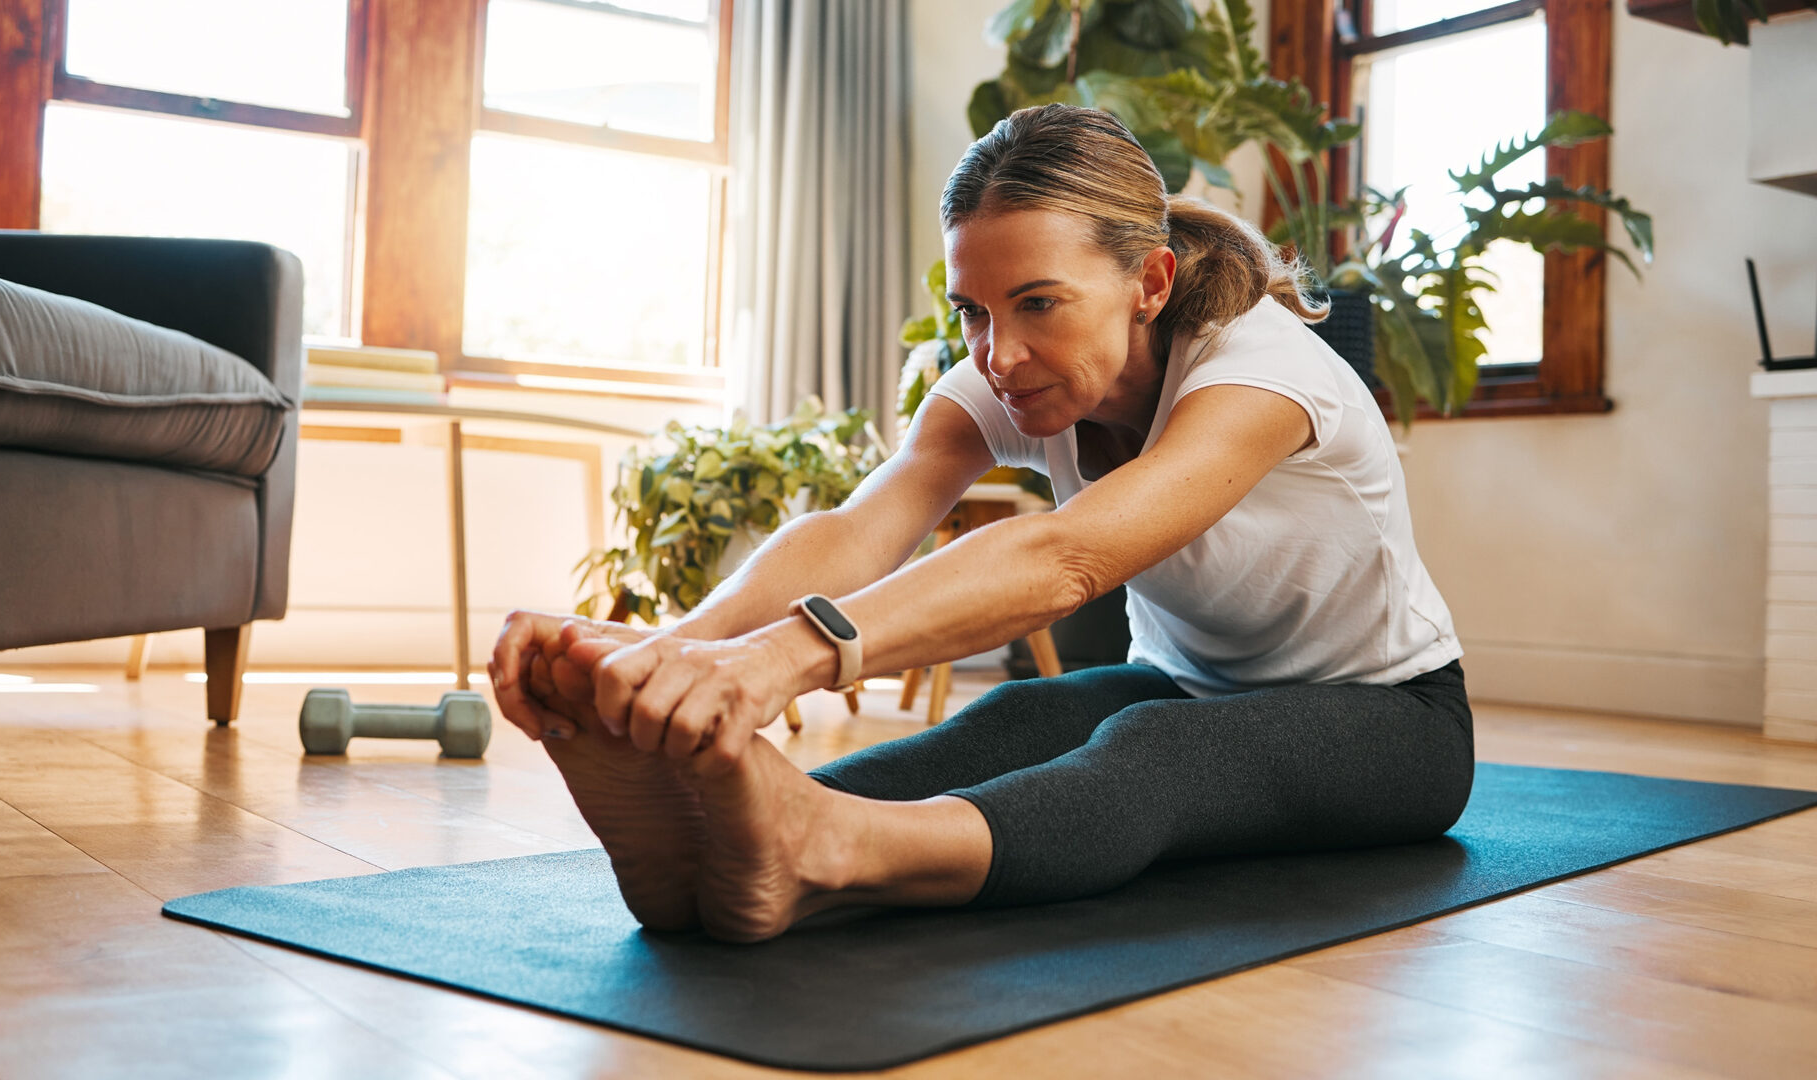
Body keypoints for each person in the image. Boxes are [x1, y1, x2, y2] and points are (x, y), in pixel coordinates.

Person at [486, 103, 1473, 944]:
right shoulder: (1016, 371)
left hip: (1397, 724)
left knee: (1152, 757)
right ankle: (723, 842)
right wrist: (672, 652)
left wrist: (778, 663)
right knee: (1017, 719)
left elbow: (1069, 557)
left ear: (1153, 283)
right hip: (1187, 684)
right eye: (974, 311)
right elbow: (864, 525)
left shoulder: (1263, 375)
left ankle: (828, 849)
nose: (1001, 355)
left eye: (1039, 304)